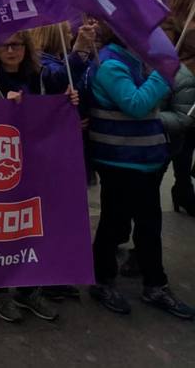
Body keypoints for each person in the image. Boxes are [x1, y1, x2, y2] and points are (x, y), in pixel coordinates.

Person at [86, 26, 194, 319]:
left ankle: (155, 284)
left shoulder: (137, 60)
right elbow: (136, 104)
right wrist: (163, 74)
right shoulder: (110, 63)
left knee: (149, 224)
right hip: (120, 159)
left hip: (145, 156)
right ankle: (102, 279)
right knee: (114, 220)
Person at [0, 31, 79, 323]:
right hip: (1, 167)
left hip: (37, 163)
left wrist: (68, 102)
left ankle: (28, 288)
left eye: (17, 45)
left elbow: (53, 113)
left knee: (32, 225)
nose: (11, 50)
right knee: (2, 228)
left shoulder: (40, 77)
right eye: (5, 45)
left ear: (26, 48)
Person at [160, 0, 195, 215]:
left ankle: (183, 188)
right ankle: (182, 190)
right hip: (178, 91)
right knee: (180, 144)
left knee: (189, 143)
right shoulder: (172, 24)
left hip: (189, 92)